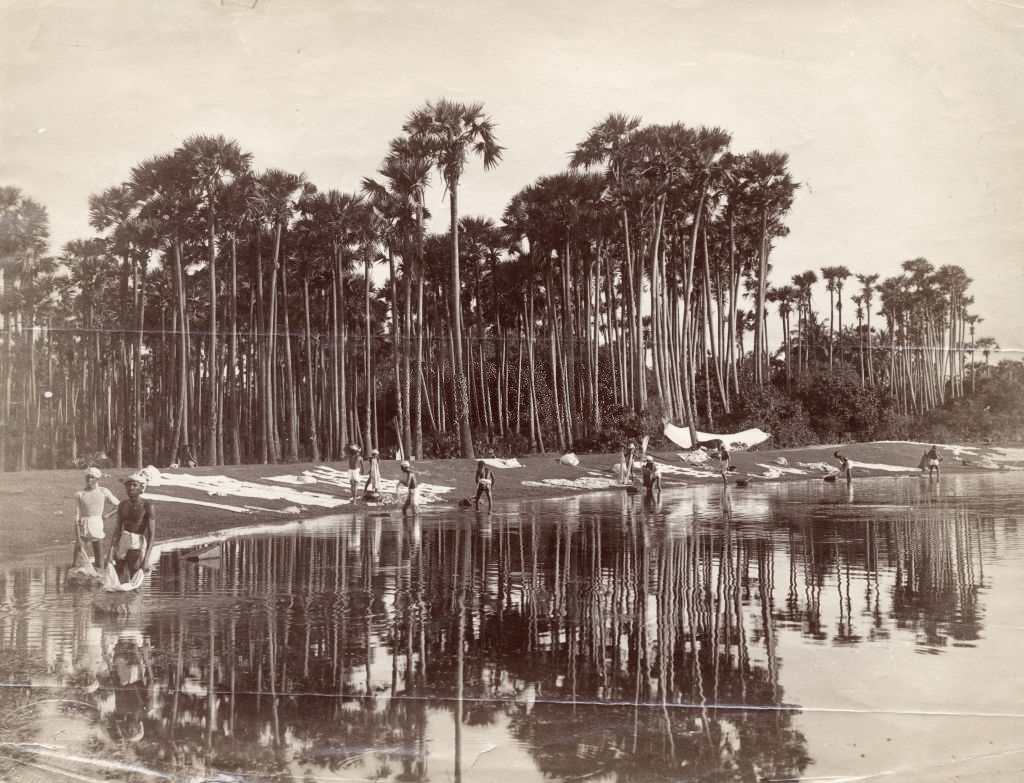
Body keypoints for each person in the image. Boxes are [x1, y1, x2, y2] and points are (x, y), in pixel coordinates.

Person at [107, 473, 156, 584]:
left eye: (135, 485)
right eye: (128, 486)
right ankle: (120, 600)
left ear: (141, 488)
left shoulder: (147, 506)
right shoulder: (122, 505)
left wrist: (146, 559)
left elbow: (152, 534)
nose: (131, 488)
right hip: (123, 539)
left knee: (135, 572)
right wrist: (110, 552)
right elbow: (117, 529)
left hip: (137, 541)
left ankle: (136, 600)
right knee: (117, 573)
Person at [73, 467, 119, 569]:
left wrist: (107, 515)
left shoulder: (103, 491)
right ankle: (73, 579)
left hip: (97, 524)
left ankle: (100, 580)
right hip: (83, 525)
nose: (89, 480)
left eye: (92, 478)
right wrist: (78, 537)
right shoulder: (79, 494)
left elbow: (119, 506)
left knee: (99, 559)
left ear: (97, 479)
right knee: (77, 557)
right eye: (87, 477)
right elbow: (76, 517)